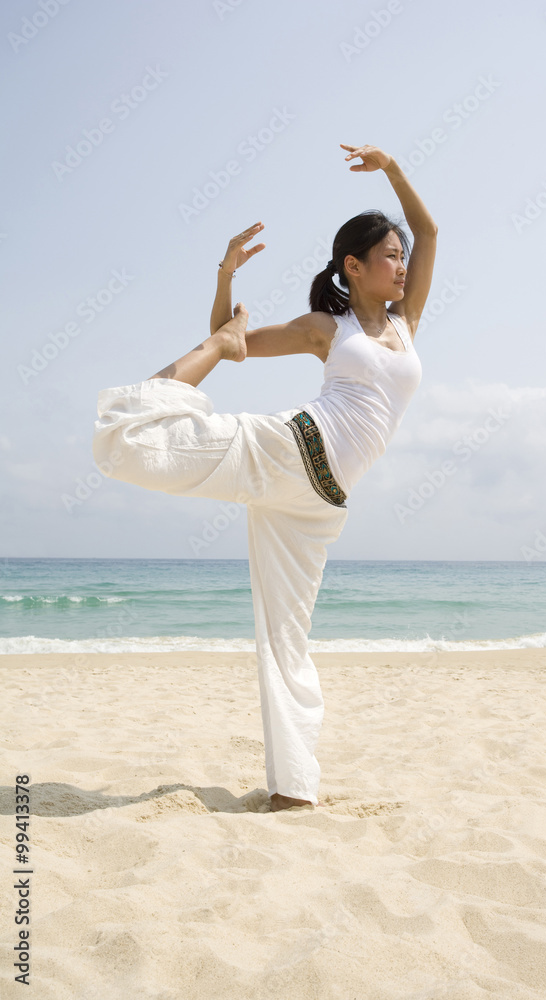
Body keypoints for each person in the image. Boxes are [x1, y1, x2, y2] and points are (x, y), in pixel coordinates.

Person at [92, 143, 437, 811]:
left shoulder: (405, 324)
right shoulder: (325, 328)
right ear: (353, 267)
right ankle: (194, 367)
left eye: (400, 257)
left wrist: (392, 170)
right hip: (289, 450)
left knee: (285, 640)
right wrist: (224, 278)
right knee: (131, 444)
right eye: (388, 257)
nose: (400, 265)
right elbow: (239, 334)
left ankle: (292, 791)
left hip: (316, 504)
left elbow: (427, 231)